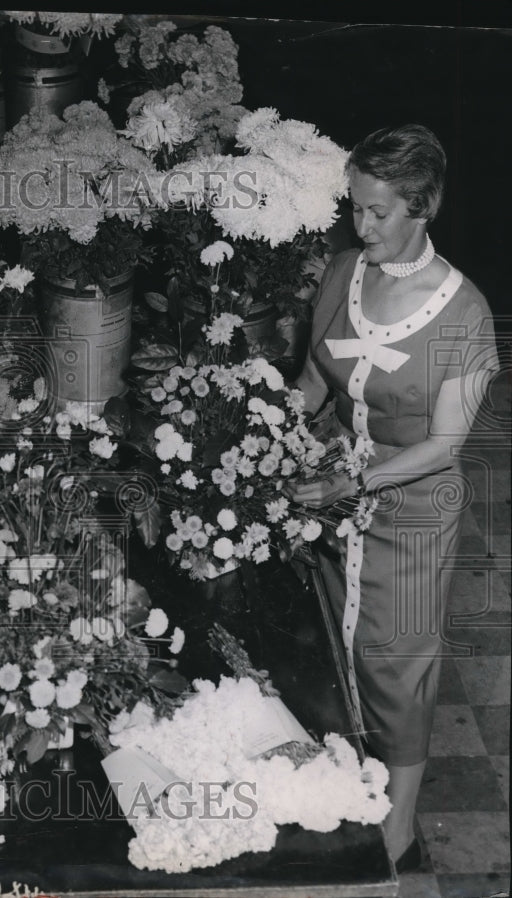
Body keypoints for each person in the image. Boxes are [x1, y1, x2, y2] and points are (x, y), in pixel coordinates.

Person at [288, 124, 499, 872]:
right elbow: (317, 380)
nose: (361, 225)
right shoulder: (343, 270)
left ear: (423, 208)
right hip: (332, 492)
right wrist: (264, 428)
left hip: (411, 514)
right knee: (332, 646)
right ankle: (348, 780)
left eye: (379, 211)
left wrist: (355, 481)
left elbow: (446, 443)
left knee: (395, 663)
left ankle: (400, 829)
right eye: (356, 207)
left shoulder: (464, 314)